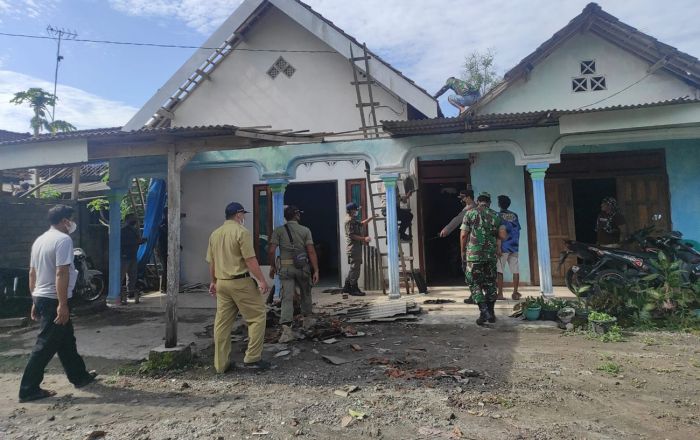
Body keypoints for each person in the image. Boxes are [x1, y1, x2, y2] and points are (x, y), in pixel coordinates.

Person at [19, 204, 97, 402]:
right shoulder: (63, 240)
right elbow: (61, 272)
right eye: (70, 219)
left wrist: (35, 300)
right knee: (45, 344)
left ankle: (79, 377)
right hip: (55, 298)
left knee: (66, 341)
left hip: (43, 296)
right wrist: (62, 304)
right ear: (64, 221)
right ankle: (28, 389)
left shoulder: (40, 240)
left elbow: (32, 273)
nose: (72, 223)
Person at [207, 202, 270, 373]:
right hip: (240, 282)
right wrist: (261, 280)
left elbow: (212, 262)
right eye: (243, 214)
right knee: (257, 317)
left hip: (222, 283)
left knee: (222, 324)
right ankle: (252, 358)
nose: (244, 217)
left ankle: (220, 365)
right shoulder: (241, 232)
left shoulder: (215, 234)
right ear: (238, 214)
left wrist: (213, 281)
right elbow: (250, 259)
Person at [268, 205, 320, 343]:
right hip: (302, 267)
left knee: (287, 297)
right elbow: (311, 251)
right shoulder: (305, 230)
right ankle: (307, 322)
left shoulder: (278, 231)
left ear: (285, 216)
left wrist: (273, 266)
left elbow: (271, 250)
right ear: (297, 215)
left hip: (285, 268)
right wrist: (316, 270)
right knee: (306, 293)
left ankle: (287, 331)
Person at [460, 192, 507, 326]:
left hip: (474, 256)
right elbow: (502, 235)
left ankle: (484, 311)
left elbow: (463, 235)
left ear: (478, 201)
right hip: (490, 256)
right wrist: (497, 245)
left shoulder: (470, 213)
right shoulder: (497, 215)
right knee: (491, 283)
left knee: (474, 283)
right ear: (489, 202)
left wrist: (463, 252)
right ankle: (490, 313)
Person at [343, 202, 375, 296]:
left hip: (356, 247)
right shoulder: (349, 221)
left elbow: (361, 224)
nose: (357, 211)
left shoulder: (352, 219)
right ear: (351, 210)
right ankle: (353, 288)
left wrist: (371, 218)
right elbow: (352, 235)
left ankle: (347, 287)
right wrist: (364, 238)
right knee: (355, 268)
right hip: (353, 247)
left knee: (353, 268)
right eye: (356, 209)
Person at [496, 195, 522, 301]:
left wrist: (498, 247)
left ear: (499, 204)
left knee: (500, 271)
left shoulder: (498, 216)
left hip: (503, 247)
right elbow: (518, 229)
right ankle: (515, 293)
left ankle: (500, 294)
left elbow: (499, 232)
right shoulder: (514, 215)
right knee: (515, 270)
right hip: (514, 246)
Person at [120, 213, 145, 305]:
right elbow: (125, 242)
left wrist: (140, 241)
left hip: (132, 256)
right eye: (133, 219)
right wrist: (138, 241)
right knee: (121, 276)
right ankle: (119, 295)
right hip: (125, 256)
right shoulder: (123, 230)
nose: (135, 220)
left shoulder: (133, 230)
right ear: (127, 220)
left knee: (132, 276)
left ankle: (130, 293)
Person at [157, 208, 168, 293]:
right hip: (162, 249)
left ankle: (166, 287)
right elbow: (167, 235)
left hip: (167, 249)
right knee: (165, 269)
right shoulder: (163, 224)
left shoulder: (167, 223)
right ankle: (163, 287)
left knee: (167, 268)